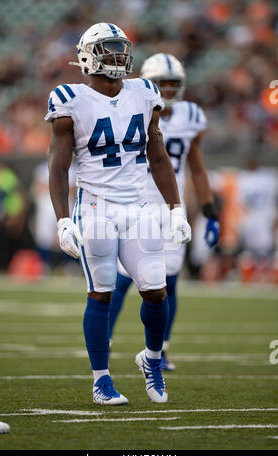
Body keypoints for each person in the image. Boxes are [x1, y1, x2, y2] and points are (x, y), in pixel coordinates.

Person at [45, 23, 191, 405]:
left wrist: (176, 209)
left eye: (121, 49)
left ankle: (152, 360)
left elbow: (157, 153)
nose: (118, 57)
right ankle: (101, 380)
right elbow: (59, 167)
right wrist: (63, 219)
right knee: (101, 294)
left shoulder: (144, 92)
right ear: (89, 55)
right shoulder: (69, 98)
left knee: (156, 292)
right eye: (109, 50)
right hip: (96, 206)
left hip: (140, 203)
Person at [108, 53, 220, 371]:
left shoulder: (191, 115)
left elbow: (196, 168)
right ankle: (104, 342)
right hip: (136, 202)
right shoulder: (130, 107)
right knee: (121, 279)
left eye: (173, 83)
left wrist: (211, 211)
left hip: (172, 208)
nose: (168, 89)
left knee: (169, 281)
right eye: (161, 83)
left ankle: (159, 351)